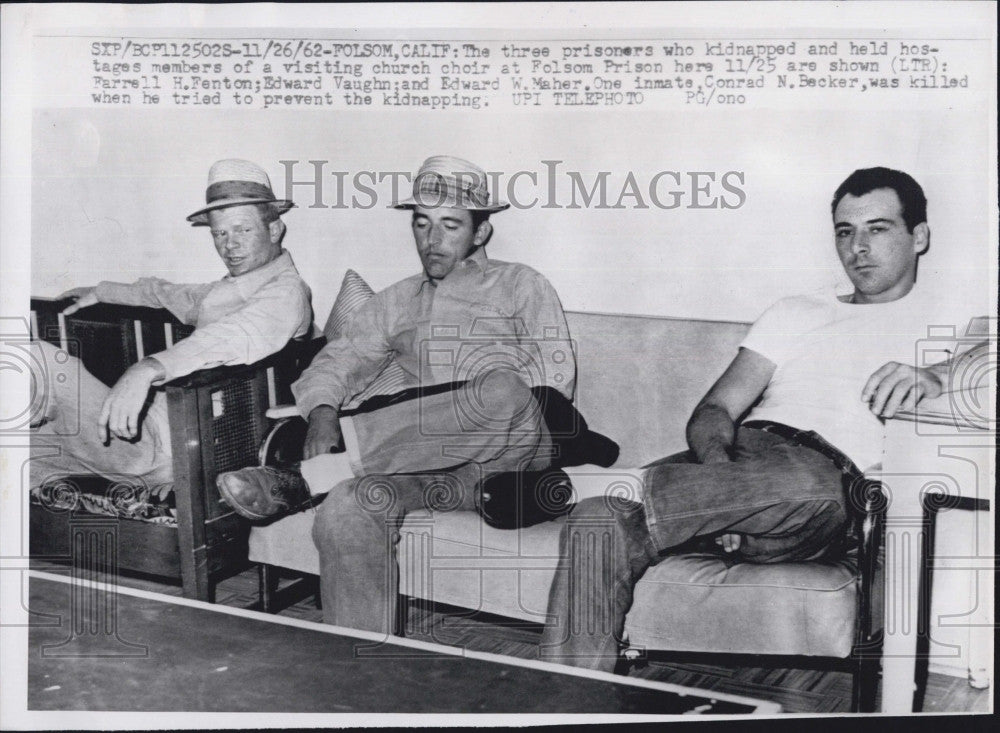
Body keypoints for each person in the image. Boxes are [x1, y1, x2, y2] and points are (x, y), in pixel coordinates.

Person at [539, 166, 989, 670]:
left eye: (877, 229)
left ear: (919, 236)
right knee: (599, 522)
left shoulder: (956, 315)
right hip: (740, 463)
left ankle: (633, 489)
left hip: (830, 486)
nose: (857, 247)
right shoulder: (796, 310)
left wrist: (938, 372)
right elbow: (715, 410)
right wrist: (717, 473)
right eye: (845, 231)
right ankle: (570, 701)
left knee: (809, 487)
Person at [217, 155, 583, 634]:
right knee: (348, 506)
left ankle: (308, 476)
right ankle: (360, 673)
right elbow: (337, 360)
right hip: (422, 466)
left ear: (481, 233)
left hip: (509, 457)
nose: (432, 240)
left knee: (503, 390)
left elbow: (555, 387)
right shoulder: (397, 300)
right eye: (422, 224)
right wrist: (324, 411)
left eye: (450, 225)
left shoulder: (521, 284)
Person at [30, 159, 314, 498]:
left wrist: (148, 368)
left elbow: (234, 334)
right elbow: (165, 293)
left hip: (179, 447)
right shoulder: (229, 289)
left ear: (274, 230)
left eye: (243, 229)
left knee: (41, 361)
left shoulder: (286, 292)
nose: (229, 245)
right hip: (148, 435)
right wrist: (100, 292)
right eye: (220, 233)